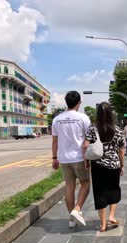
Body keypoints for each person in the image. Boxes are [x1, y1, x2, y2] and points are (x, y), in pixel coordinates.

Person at [83, 102, 125, 232]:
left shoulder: (93, 129)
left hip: (98, 166)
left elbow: (85, 146)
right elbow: (122, 150)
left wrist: (86, 161)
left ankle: (103, 224)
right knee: (113, 189)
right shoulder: (117, 130)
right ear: (111, 114)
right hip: (114, 165)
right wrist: (121, 165)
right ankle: (111, 216)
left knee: (100, 192)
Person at [52, 91, 91, 228]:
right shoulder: (83, 118)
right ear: (79, 103)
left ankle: (71, 219)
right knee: (85, 183)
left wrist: (54, 158)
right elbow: (89, 138)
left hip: (64, 158)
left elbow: (54, 141)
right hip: (79, 157)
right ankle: (77, 209)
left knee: (69, 186)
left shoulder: (57, 119)